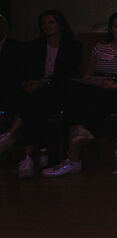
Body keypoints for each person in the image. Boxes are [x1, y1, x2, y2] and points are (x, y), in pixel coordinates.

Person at [44, 11, 117, 175]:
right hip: (101, 85)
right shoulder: (100, 48)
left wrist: (115, 87)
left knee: (94, 98)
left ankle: (74, 153)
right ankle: (79, 134)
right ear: (111, 29)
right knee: (71, 88)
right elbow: (88, 76)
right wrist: (98, 81)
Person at [9, 10, 83, 178]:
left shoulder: (73, 46)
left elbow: (66, 73)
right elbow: (25, 70)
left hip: (60, 89)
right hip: (38, 90)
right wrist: (27, 83)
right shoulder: (34, 47)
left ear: (59, 24)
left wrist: (43, 82)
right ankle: (32, 154)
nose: (47, 26)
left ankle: (24, 148)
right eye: (43, 23)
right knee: (31, 101)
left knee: (34, 102)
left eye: (51, 22)